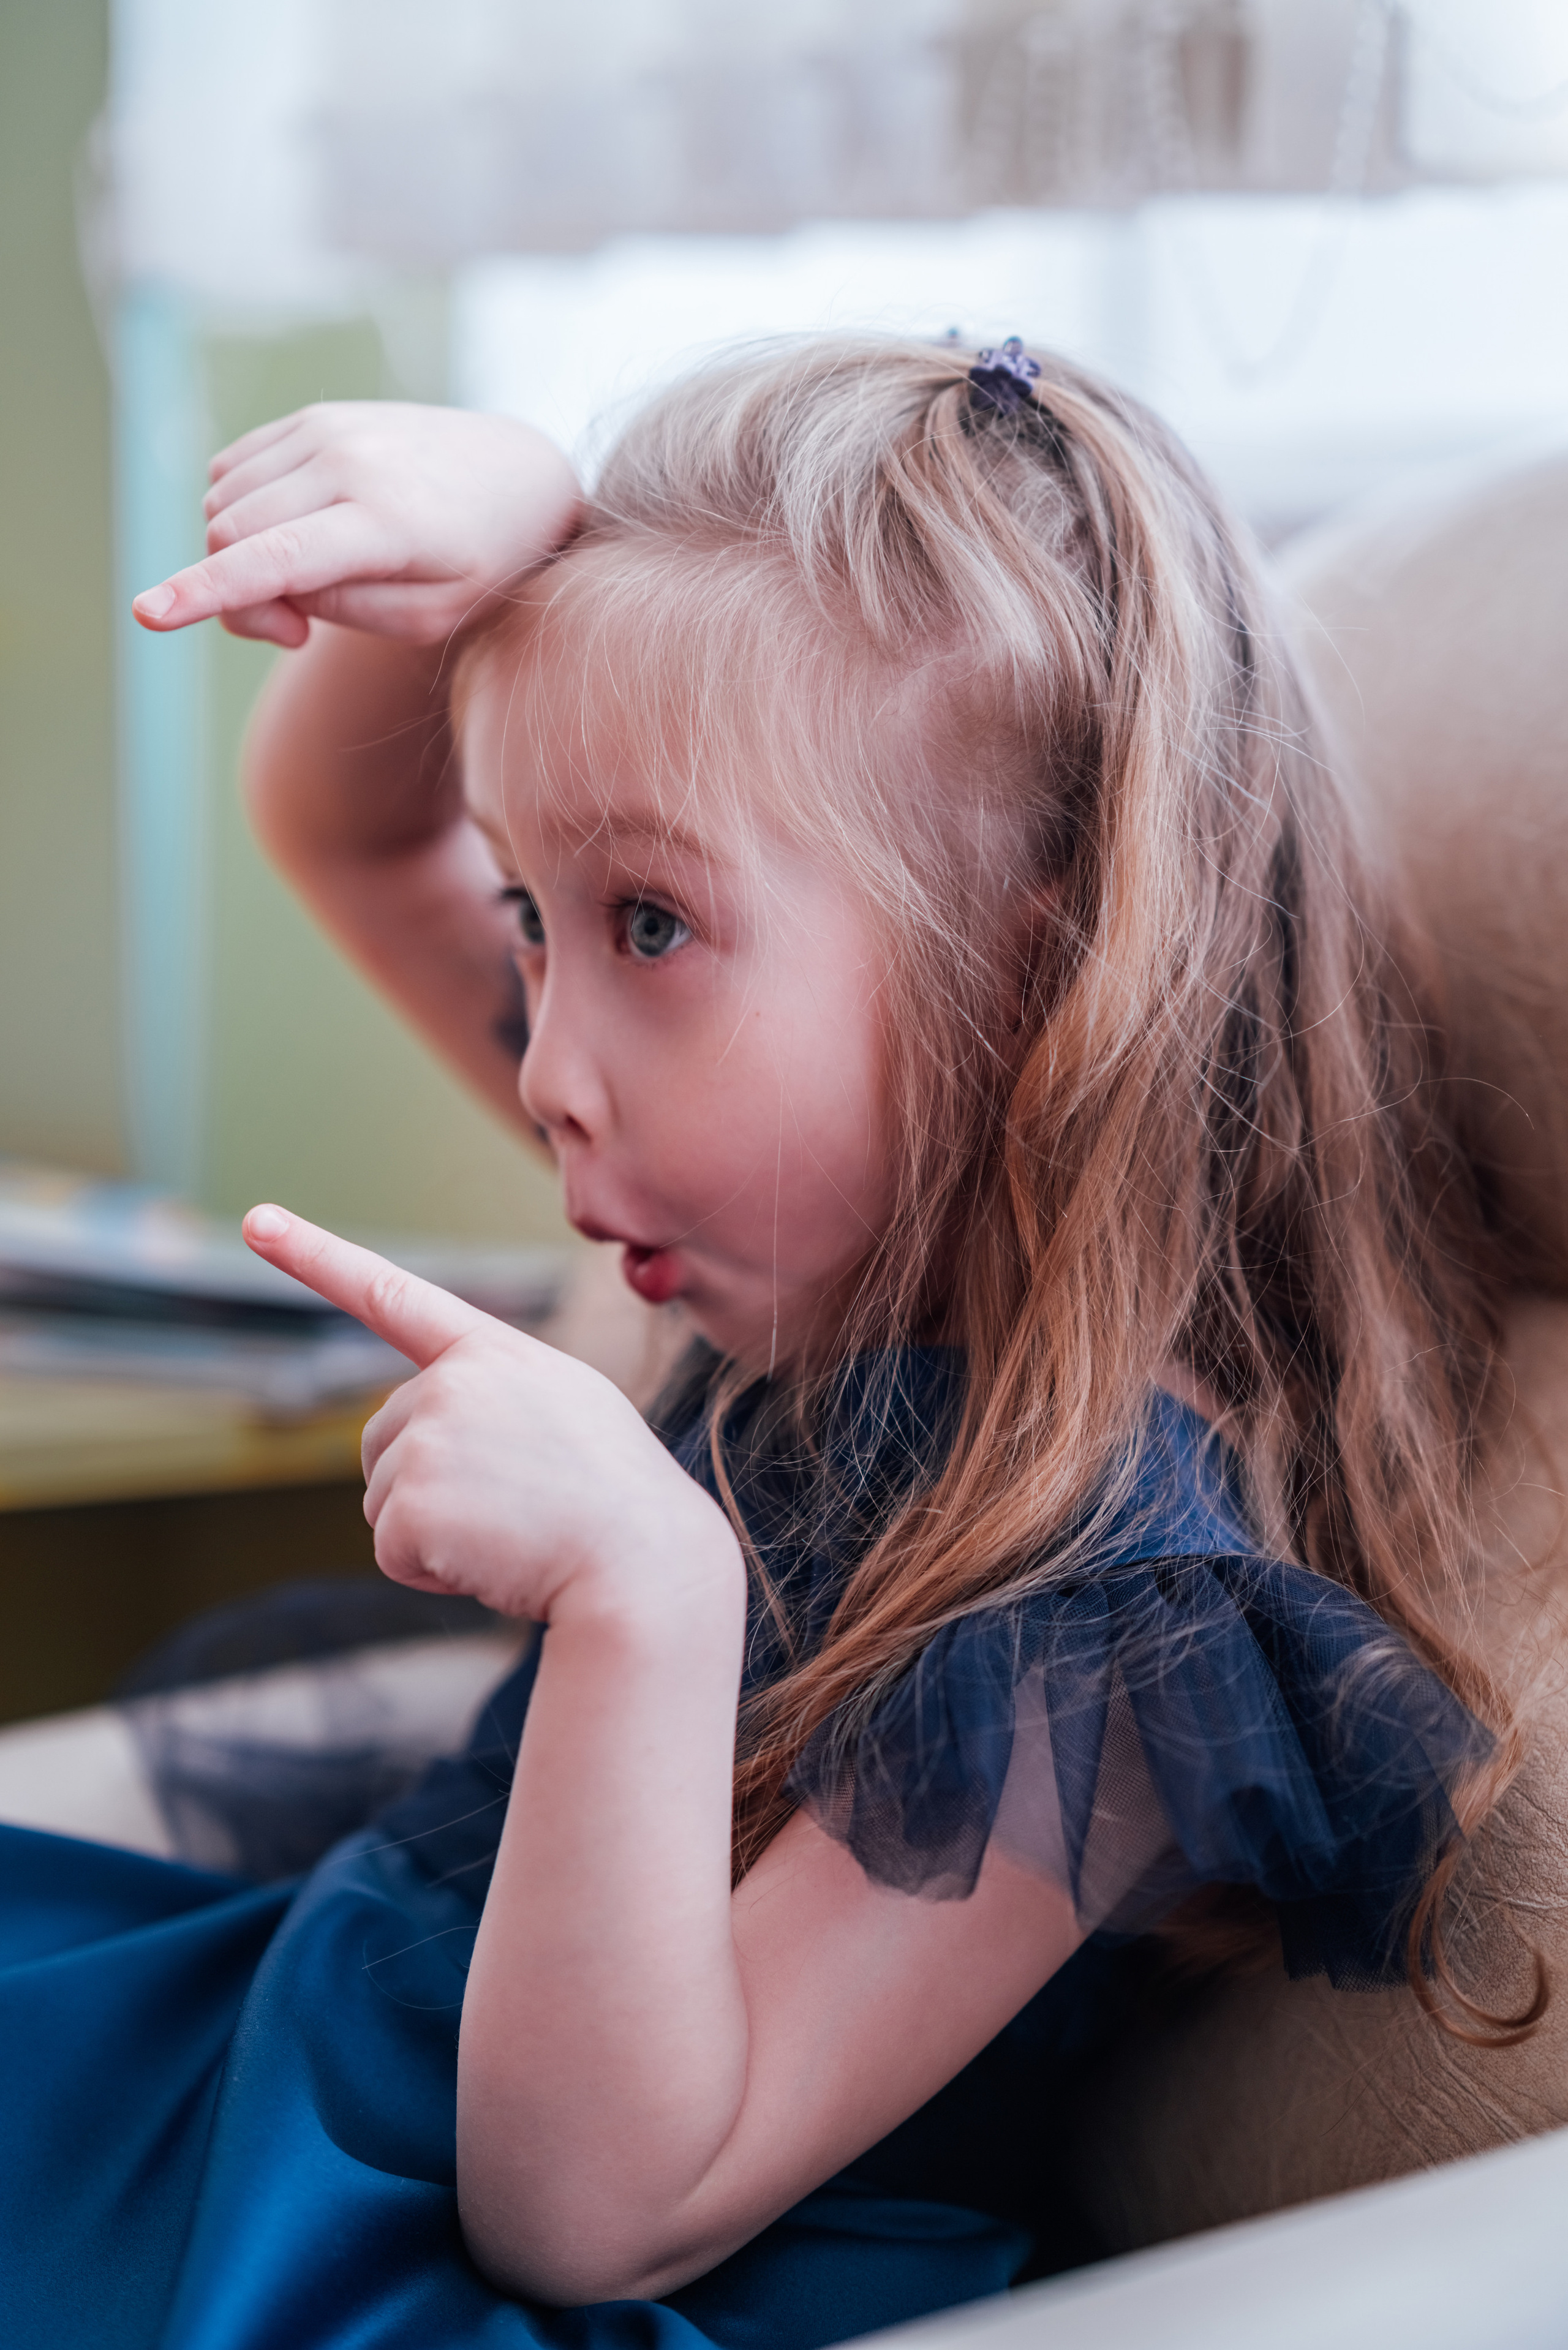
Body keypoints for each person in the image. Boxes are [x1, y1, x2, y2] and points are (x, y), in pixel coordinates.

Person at [2, 337, 1541, 2350]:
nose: (550, 1066)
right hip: (269, 2061)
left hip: (391, 2249)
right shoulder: (768, 1217)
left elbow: (598, 2209)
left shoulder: (1119, 1600)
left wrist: (651, 1588)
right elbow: (350, 829)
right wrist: (515, 511)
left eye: (645, 925)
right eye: (535, 922)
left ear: (1044, 972)